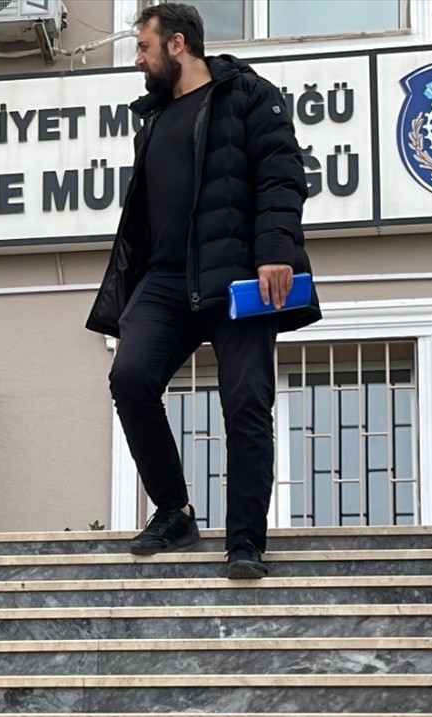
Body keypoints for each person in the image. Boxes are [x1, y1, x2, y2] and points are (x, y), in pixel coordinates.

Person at [85, 2, 321, 580]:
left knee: (245, 402)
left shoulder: (247, 94)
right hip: (165, 278)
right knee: (130, 377)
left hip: (238, 272)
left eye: (143, 47)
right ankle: (174, 512)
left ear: (177, 44)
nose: (138, 60)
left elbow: (282, 173)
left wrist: (273, 251)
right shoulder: (155, 116)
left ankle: (245, 541)